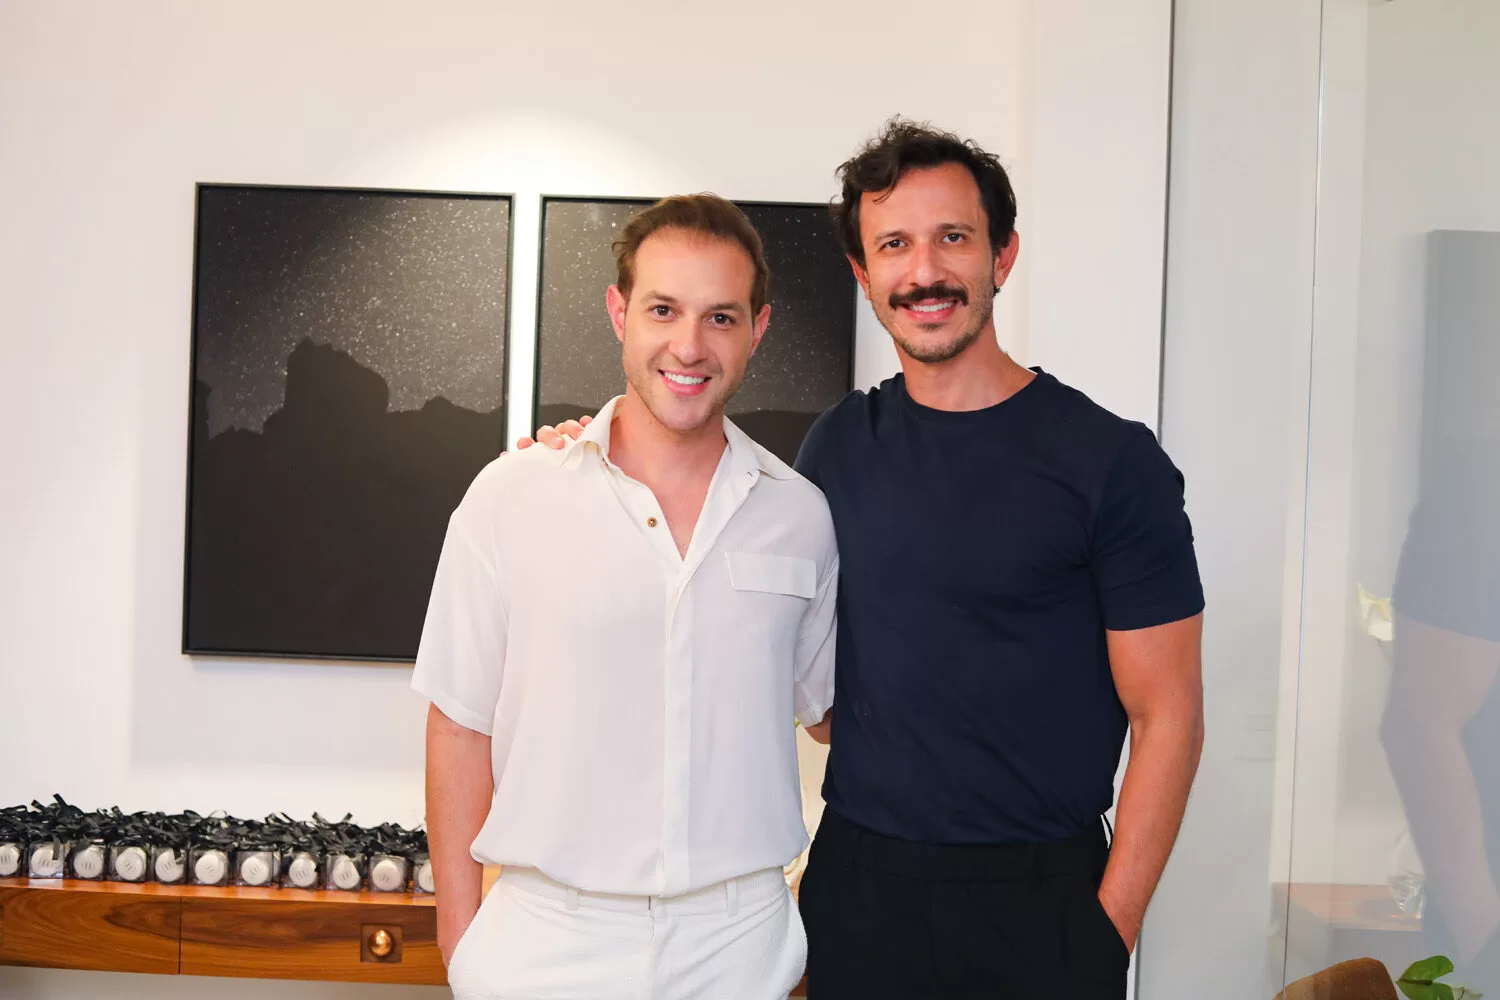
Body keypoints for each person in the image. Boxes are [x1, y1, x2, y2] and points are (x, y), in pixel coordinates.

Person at [525, 119, 1206, 1000]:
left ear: (1002, 256)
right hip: (859, 891)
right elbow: (782, 655)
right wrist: (587, 451)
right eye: (894, 245)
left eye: (953, 238)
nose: (924, 271)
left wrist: (1106, 933)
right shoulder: (837, 448)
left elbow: (1170, 717)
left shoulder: (1110, 462)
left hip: (1042, 900)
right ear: (863, 273)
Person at [414, 194, 837, 1000]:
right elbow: (459, 724)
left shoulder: (801, 516)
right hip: (545, 943)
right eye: (663, 310)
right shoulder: (511, 497)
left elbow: (829, 715)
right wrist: (460, 940)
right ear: (619, 313)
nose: (689, 345)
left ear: (758, 328)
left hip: (738, 945)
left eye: (720, 317)